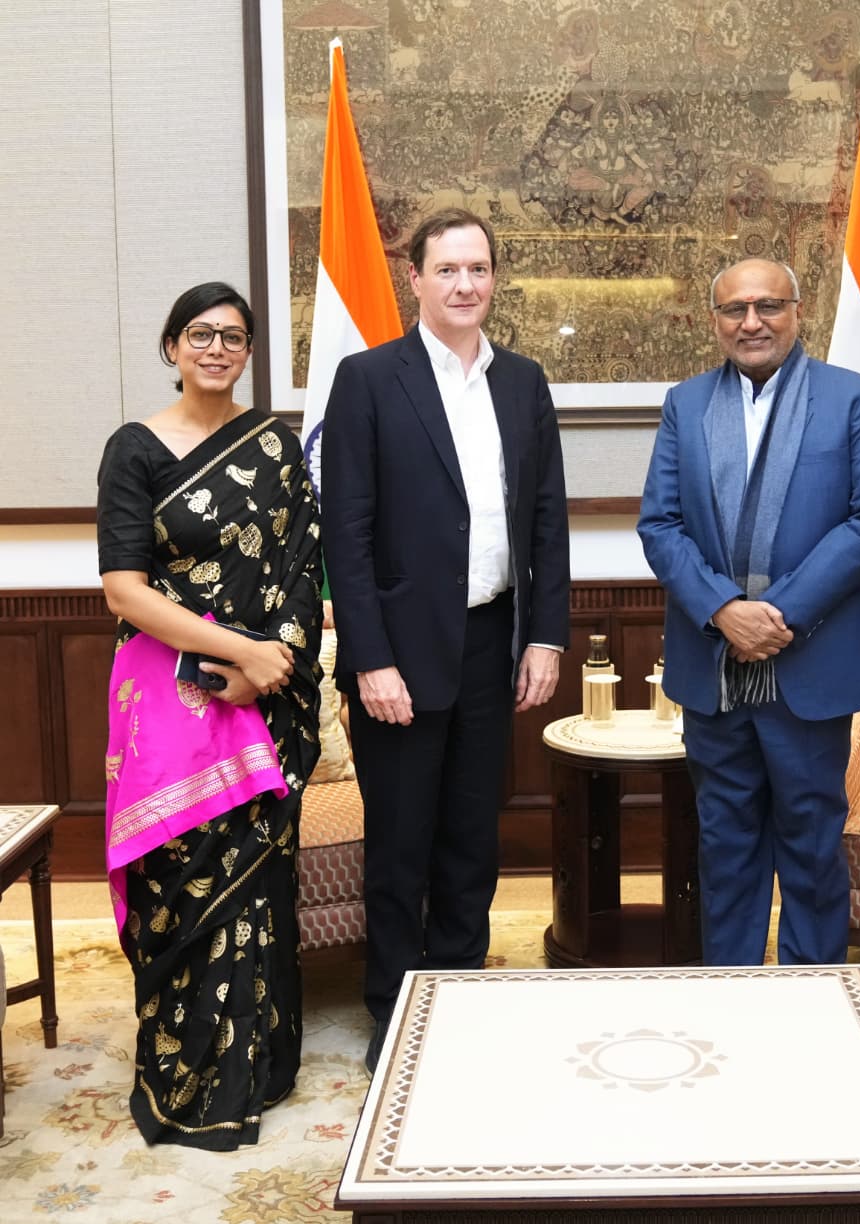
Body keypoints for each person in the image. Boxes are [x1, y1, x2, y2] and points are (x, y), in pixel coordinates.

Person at [322, 208, 570, 1073]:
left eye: (479, 269)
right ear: (415, 281)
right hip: (398, 651)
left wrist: (545, 638)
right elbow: (344, 536)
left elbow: (546, 521)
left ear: (495, 279)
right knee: (400, 840)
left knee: (472, 832)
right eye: (448, 270)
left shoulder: (524, 382)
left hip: (492, 639)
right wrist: (370, 659)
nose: (466, 284)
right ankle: (395, 1012)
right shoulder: (368, 379)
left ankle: (456, 989)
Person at [97, 282, 323, 1148]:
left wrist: (275, 661)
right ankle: (184, 1071)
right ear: (171, 346)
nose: (218, 348)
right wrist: (230, 651)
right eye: (201, 334)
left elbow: (306, 562)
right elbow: (124, 587)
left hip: (265, 693)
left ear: (249, 351)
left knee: (258, 878)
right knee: (177, 882)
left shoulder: (276, 445)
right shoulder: (136, 448)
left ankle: (261, 1062)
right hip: (170, 695)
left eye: (234, 336)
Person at [637, 257, 860, 966]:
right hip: (714, 669)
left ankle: (813, 997)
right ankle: (733, 995)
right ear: (714, 321)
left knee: (812, 842)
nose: (751, 321)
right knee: (724, 846)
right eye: (734, 310)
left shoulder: (850, 398)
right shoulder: (686, 405)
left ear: (797, 311)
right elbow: (660, 526)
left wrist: (775, 613)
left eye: (767, 306)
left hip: (810, 664)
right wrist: (724, 609)